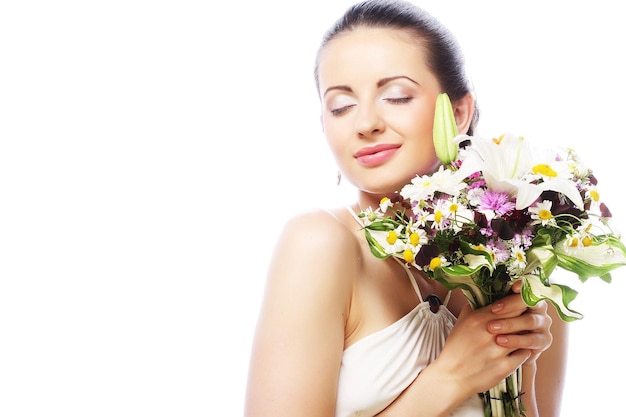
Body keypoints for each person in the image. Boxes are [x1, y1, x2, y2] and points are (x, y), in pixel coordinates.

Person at [244, 1, 566, 416]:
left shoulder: (526, 258)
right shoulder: (320, 244)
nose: (365, 123)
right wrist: (450, 378)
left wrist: (521, 369)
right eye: (340, 106)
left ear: (459, 112)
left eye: (395, 96)